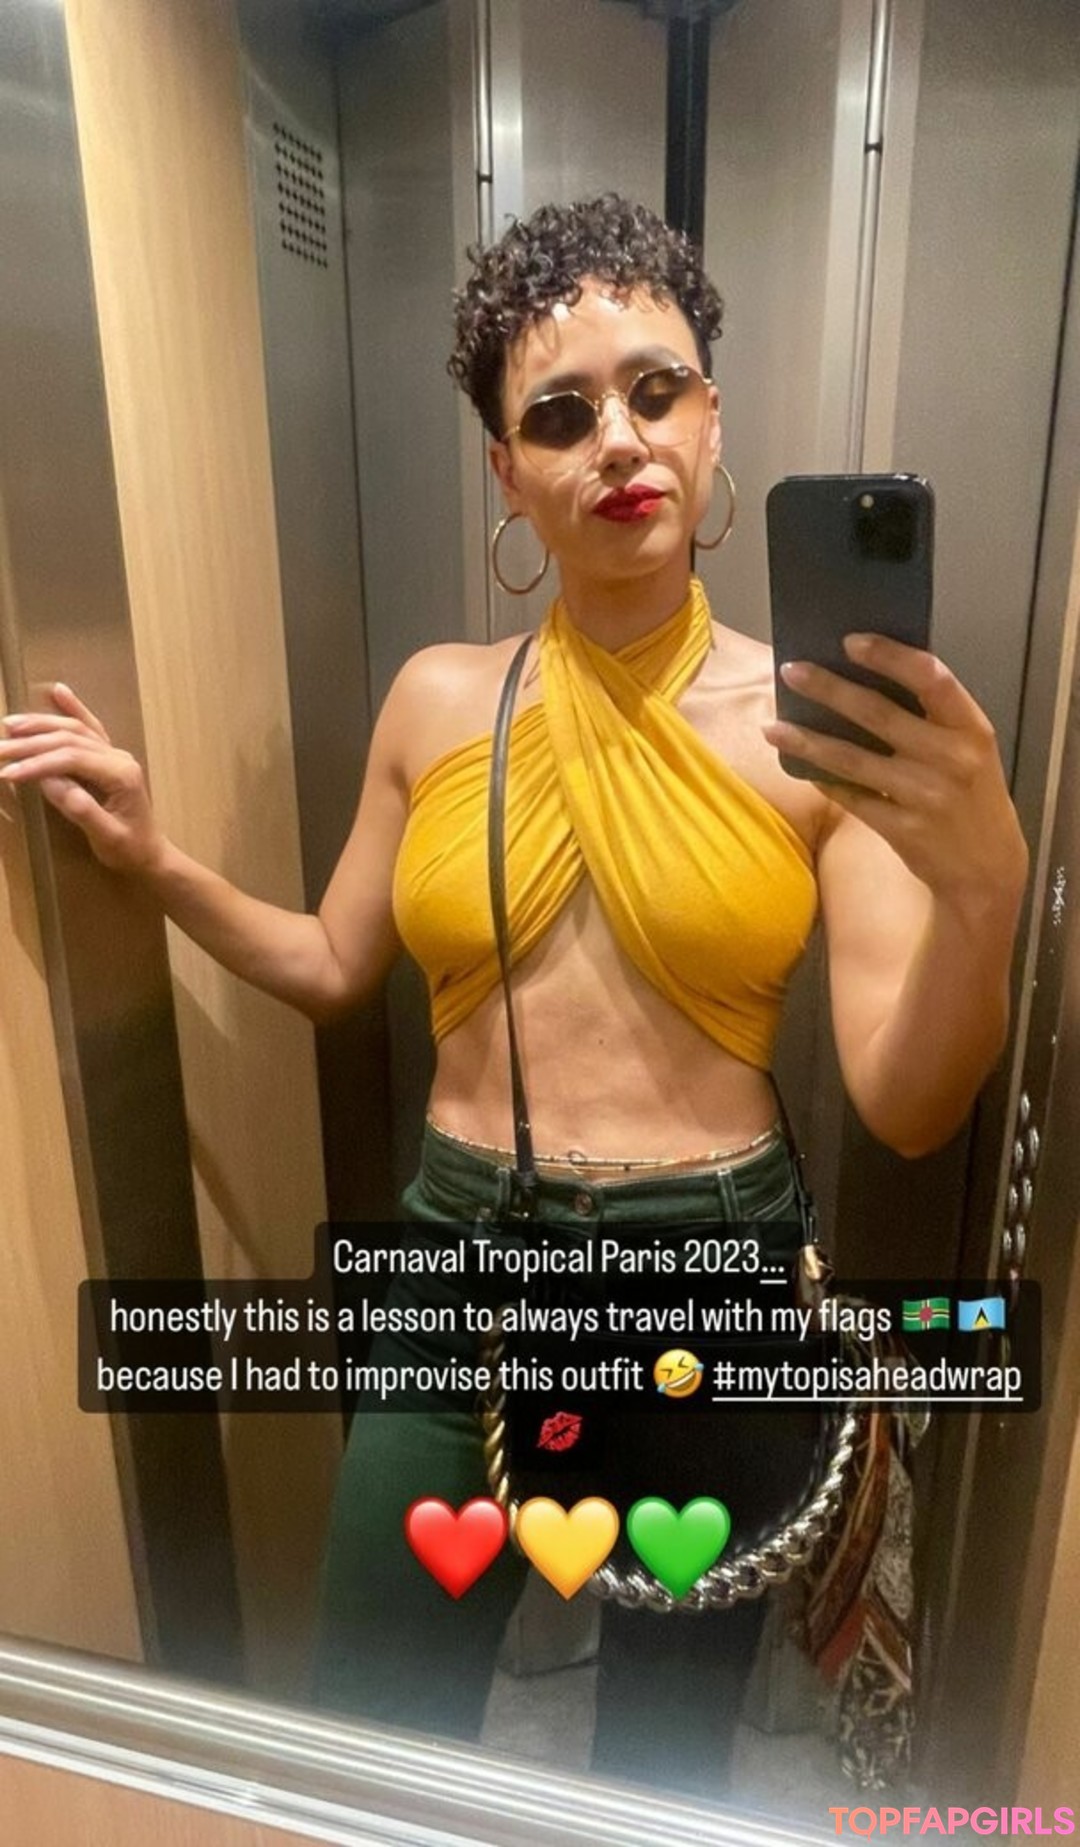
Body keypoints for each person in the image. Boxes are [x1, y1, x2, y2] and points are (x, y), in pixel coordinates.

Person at [0, 196, 1028, 1797]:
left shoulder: (811, 729)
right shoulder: (435, 699)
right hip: (455, 1267)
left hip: (709, 1278)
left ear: (712, 419)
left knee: (658, 1773)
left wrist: (986, 890)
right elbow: (332, 967)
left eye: (657, 390)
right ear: (506, 471)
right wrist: (155, 862)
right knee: (366, 1733)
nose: (619, 438)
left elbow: (907, 1101)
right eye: (561, 413)